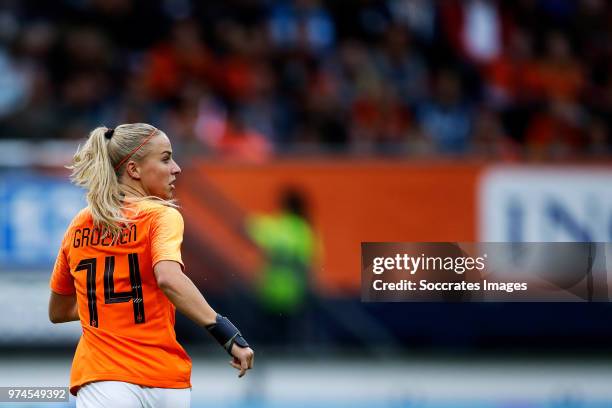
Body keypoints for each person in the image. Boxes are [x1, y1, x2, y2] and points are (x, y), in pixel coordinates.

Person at [48, 123, 254, 408]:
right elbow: (169, 279)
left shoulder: (79, 225)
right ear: (133, 170)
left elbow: (58, 311)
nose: (177, 168)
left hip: (104, 379)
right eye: (166, 158)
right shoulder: (159, 216)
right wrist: (226, 332)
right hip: (165, 382)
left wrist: (107, 304)